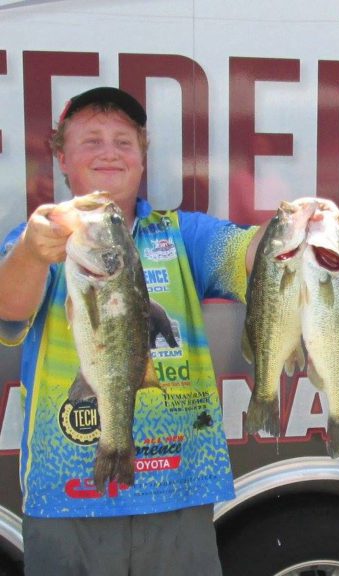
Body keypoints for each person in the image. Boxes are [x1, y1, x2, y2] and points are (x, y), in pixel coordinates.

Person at [0, 87, 263, 575]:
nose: (109, 152)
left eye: (124, 141)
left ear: (142, 156)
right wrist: (35, 253)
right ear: (62, 156)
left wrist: (294, 232)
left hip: (181, 491)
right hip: (67, 499)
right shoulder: (39, 240)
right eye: (91, 140)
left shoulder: (184, 233)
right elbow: (7, 308)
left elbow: (249, 254)